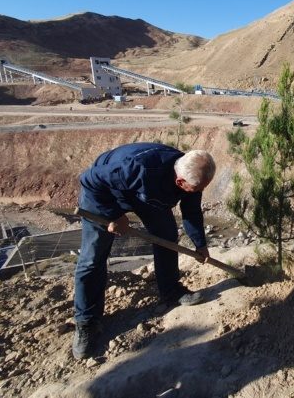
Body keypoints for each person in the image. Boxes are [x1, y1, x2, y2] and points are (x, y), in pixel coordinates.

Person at [72, 143, 216, 359]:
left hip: (148, 195)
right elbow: (89, 179)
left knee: (166, 237)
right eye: (196, 189)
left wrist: (200, 243)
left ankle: (170, 291)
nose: (199, 192)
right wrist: (113, 215)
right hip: (103, 193)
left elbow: (191, 210)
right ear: (179, 182)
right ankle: (87, 322)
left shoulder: (194, 173)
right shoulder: (136, 168)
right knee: (92, 258)